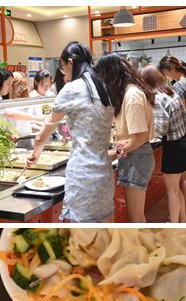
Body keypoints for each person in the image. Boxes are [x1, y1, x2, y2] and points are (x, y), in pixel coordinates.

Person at [29, 41, 115, 223]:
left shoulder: (72, 88)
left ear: (70, 62)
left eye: (62, 68)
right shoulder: (103, 87)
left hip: (83, 174)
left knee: (81, 235)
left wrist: (35, 155)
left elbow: (44, 132)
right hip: (104, 172)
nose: (63, 73)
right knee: (106, 230)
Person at [96, 53, 156, 223]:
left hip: (136, 157)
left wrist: (115, 152)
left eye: (102, 76)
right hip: (134, 155)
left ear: (110, 74)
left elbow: (140, 136)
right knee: (138, 217)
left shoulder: (131, 96)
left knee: (135, 218)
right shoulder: (131, 92)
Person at [140, 65, 186, 222]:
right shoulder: (171, 92)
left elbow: (160, 128)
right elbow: (185, 119)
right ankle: (182, 221)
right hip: (183, 142)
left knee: (172, 191)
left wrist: (144, 130)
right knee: (176, 189)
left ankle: (174, 225)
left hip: (173, 147)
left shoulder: (157, 98)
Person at [158, 56, 186, 221]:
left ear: (170, 70)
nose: (164, 76)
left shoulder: (178, 86)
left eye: (163, 72)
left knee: (182, 180)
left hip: (179, 133)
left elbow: (177, 113)